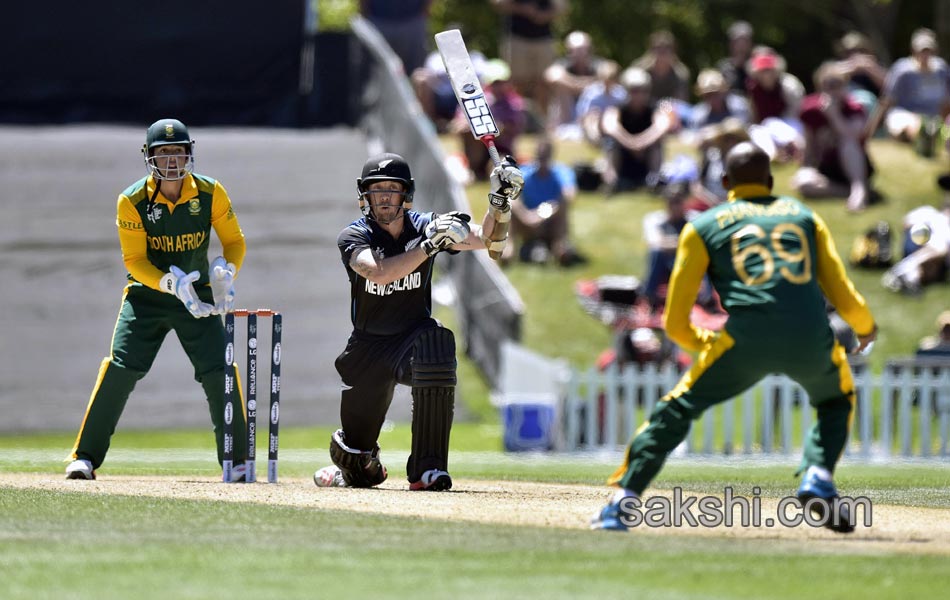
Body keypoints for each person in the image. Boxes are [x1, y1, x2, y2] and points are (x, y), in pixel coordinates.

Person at [592, 142, 878, 533]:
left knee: (676, 410)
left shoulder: (704, 225)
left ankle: (621, 504)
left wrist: (703, 344)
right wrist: (864, 327)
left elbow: (675, 319)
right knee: (834, 400)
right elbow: (840, 289)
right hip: (810, 337)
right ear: (771, 181)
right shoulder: (804, 216)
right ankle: (819, 478)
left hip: (745, 337)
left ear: (725, 181)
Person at [313, 153, 523, 490]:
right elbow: (379, 273)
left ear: (406, 195)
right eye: (376, 189)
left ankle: (428, 469)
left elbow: (490, 241)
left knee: (437, 343)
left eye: (392, 189)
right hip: (368, 346)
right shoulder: (354, 236)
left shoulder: (426, 224)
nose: (383, 197)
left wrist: (499, 202)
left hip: (412, 337)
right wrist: (429, 246)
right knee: (352, 457)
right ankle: (351, 470)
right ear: (364, 196)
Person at [65, 118, 245, 480]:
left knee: (218, 371)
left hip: (198, 296)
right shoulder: (132, 200)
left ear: (189, 153)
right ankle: (84, 457)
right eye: (164, 153)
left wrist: (226, 271)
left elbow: (235, 242)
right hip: (146, 297)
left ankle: (236, 460)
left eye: (178, 151)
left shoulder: (211, 192)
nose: (172, 161)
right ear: (149, 157)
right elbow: (134, 261)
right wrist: (167, 283)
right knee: (120, 368)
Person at [792, 62, 874, 212]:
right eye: (828, 85)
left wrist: (833, 115)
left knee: (847, 142)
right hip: (827, 170)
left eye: (837, 84)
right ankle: (848, 192)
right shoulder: (810, 111)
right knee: (803, 182)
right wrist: (806, 168)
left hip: (854, 166)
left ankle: (859, 189)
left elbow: (854, 136)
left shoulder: (854, 108)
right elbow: (809, 145)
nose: (833, 90)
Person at [866, 28, 950, 153]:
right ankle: (922, 137)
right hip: (905, 113)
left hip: (933, 117)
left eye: (928, 50)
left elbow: (946, 102)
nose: (925, 55)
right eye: (922, 51)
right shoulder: (902, 70)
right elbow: (887, 100)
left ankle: (930, 136)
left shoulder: (941, 70)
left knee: (933, 127)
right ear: (914, 51)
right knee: (907, 126)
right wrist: (870, 132)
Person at [502, 139, 582, 266]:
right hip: (527, 222)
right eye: (540, 157)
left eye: (545, 158)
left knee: (563, 209)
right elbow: (510, 196)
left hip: (551, 221)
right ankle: (508, 248)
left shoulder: (561, 172)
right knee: (510, 210)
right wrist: (526, 216)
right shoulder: (524, 172)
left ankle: (560, 247)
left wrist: (542, 215)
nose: (542, 162)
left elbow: (569, 195)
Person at [601, 67, 678, 194]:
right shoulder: (618, 109)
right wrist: (630, 143)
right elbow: (609, 126)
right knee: (611, 143)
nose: (640, 95)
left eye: (644, 90)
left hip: (645, 156)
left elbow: (662, 126)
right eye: (635, 91)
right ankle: (612, 182)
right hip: (624, 157)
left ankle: (654, 181)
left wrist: (640, 143)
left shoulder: (654, 108)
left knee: (657, 144)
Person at [493, 0, 566, 120]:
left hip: (543, 40)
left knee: (544, 83)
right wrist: (523, 9)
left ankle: (544, 123)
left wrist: (545, 15)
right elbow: (498, 3)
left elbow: (562, 7)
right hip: (517, 39)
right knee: (517, 83)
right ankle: (515, 120)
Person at [881, 200, 950, 294]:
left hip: (933, 259)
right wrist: (924, 238)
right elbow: (907, 222)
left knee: (938, 255)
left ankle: (909, 279)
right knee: (941, 249)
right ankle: (899, 271)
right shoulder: (930, 212)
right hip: (915, 244)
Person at [360, 0, 433, 75]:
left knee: (418, 73)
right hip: (378, 21)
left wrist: (424, 12)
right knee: (376, 72)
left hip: (413, 20)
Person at [717, 20, 755, 93]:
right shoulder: (724, 68)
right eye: (738, 41)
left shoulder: (757, 68)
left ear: (751, 43)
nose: (741, 45)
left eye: (745, 41)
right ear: (731, 44)